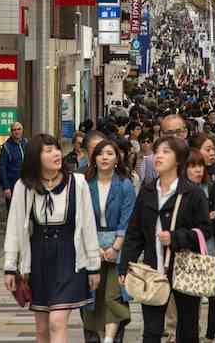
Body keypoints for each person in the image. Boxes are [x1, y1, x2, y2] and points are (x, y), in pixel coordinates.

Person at [3, 134, 102, 343]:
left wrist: (94, 266)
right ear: (35, 158)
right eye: (48, 151)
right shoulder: (24, 186)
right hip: (38, 257)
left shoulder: (78, 182)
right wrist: (10, 267)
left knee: (57, 321)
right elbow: (14, 227)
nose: (56, 154)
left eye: (56, 149)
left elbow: (88, 225)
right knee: (41, 328)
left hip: (69, 256)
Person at [118, 136, 212, 343]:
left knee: (187, 329)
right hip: (153, 270)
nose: (158, 156)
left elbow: (205, 230)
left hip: (185, 269)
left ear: (178, 160)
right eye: (157, 151)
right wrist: (124, 265)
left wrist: (176, 237)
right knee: (151, 331)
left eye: (166, 152)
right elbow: (135, 233)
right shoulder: (147, 190)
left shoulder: (193, 193)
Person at [82, 140, 136, 343]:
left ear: (117, 159)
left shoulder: (124, 185)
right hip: (90, 244)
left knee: (114, 295)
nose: (104, 157)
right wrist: (94, 247)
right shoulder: (85, 185)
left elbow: (127, 218)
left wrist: (115, 247)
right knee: (92, 293)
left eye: (109, 153)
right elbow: (82, 218)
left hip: (117, 245)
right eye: (100, 153)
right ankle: (97, 335)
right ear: (94, 158)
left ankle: (110, 339)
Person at [184, 148, 215, 343]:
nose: (198, 170)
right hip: (189, 253)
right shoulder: (180, 191)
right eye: (193, 166)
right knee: (190, 305)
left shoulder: (211, 186)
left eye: (200, 166)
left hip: (212, 249)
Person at [139, 114, 189, 183]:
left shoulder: (195, 157)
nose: (174, 136)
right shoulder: (151, 161)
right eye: (169, 133)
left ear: (185, 132)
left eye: (178, 132)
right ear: (162, 134)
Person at [0, 122, 28, 210]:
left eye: (19, 129)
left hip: (26, 184)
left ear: (22, 130)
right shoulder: (6, 147)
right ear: (11, 132)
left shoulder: (26, 143)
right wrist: (6, 187)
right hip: (12, 186)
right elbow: (2, 168)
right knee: (13, 212)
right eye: (14, 130)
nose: (17, 132)